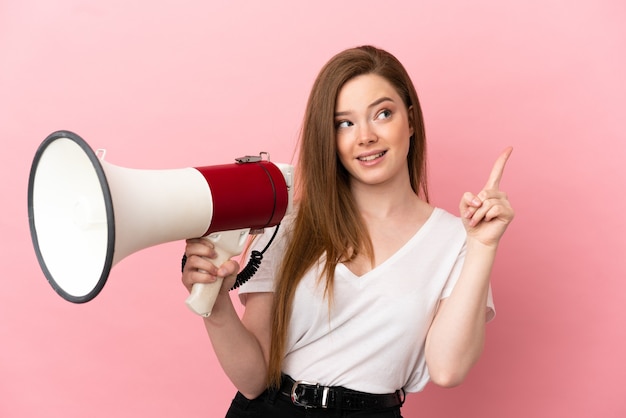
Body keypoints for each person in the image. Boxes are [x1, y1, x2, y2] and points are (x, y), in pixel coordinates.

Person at [181, 45, 514, 417]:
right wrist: (217, 304)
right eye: (345, 123)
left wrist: (483, 245)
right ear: (330, 137)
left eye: (383, 114)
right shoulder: (290, 224)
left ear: (411, 120)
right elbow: (253, 380)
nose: (366, 136)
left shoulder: (456, 240)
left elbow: (448, 369)